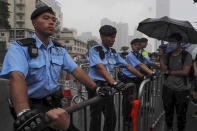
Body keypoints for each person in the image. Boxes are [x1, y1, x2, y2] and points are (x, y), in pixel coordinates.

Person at [0, 6, 110, 131]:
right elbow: (17, 76)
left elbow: (76, 70)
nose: (52, 22)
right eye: (46, 18)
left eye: (54, 19)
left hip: (54, 104)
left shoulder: (59, 50)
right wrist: (23, 112)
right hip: (31, 107)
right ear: (34, 23)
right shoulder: (19, 47)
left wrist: (96, 88)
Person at [88, 25, 144, 131]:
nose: (113, 40)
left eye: (114, 37)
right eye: (111, 37)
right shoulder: (95, 50)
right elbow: (100, 68)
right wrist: (114, 83)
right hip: (96, 86)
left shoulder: (113, 52)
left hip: (107, 85)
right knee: (96, 117)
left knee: (111, 117)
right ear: (102, 36)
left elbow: (127, 65)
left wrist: (141, 76)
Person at [118, 38, 153, 131]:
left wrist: (150, 72)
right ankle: (126, 119)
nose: (138, 46)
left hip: (136, 79)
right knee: (127, 99)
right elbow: (140, 65)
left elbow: (144, 64)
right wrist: (151, 74)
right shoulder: (130, 55)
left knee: (135, 98)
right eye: (135, 45)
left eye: (139, 45)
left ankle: (132, 116)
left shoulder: (140, 55)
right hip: (128, 79)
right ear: (132, 46)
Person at [160, 33, 192, 131]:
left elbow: (185, 71)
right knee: (168, 112)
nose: (170, 44)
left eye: (173, 42)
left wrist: (170, 72)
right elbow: (163, 69)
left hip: (182, 90)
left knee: (181, 114)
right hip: (168, 88)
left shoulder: (186, 55)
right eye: (169, 42)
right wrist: (161, 57)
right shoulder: (167, 55)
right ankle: (169, 128)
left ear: (179, 43)